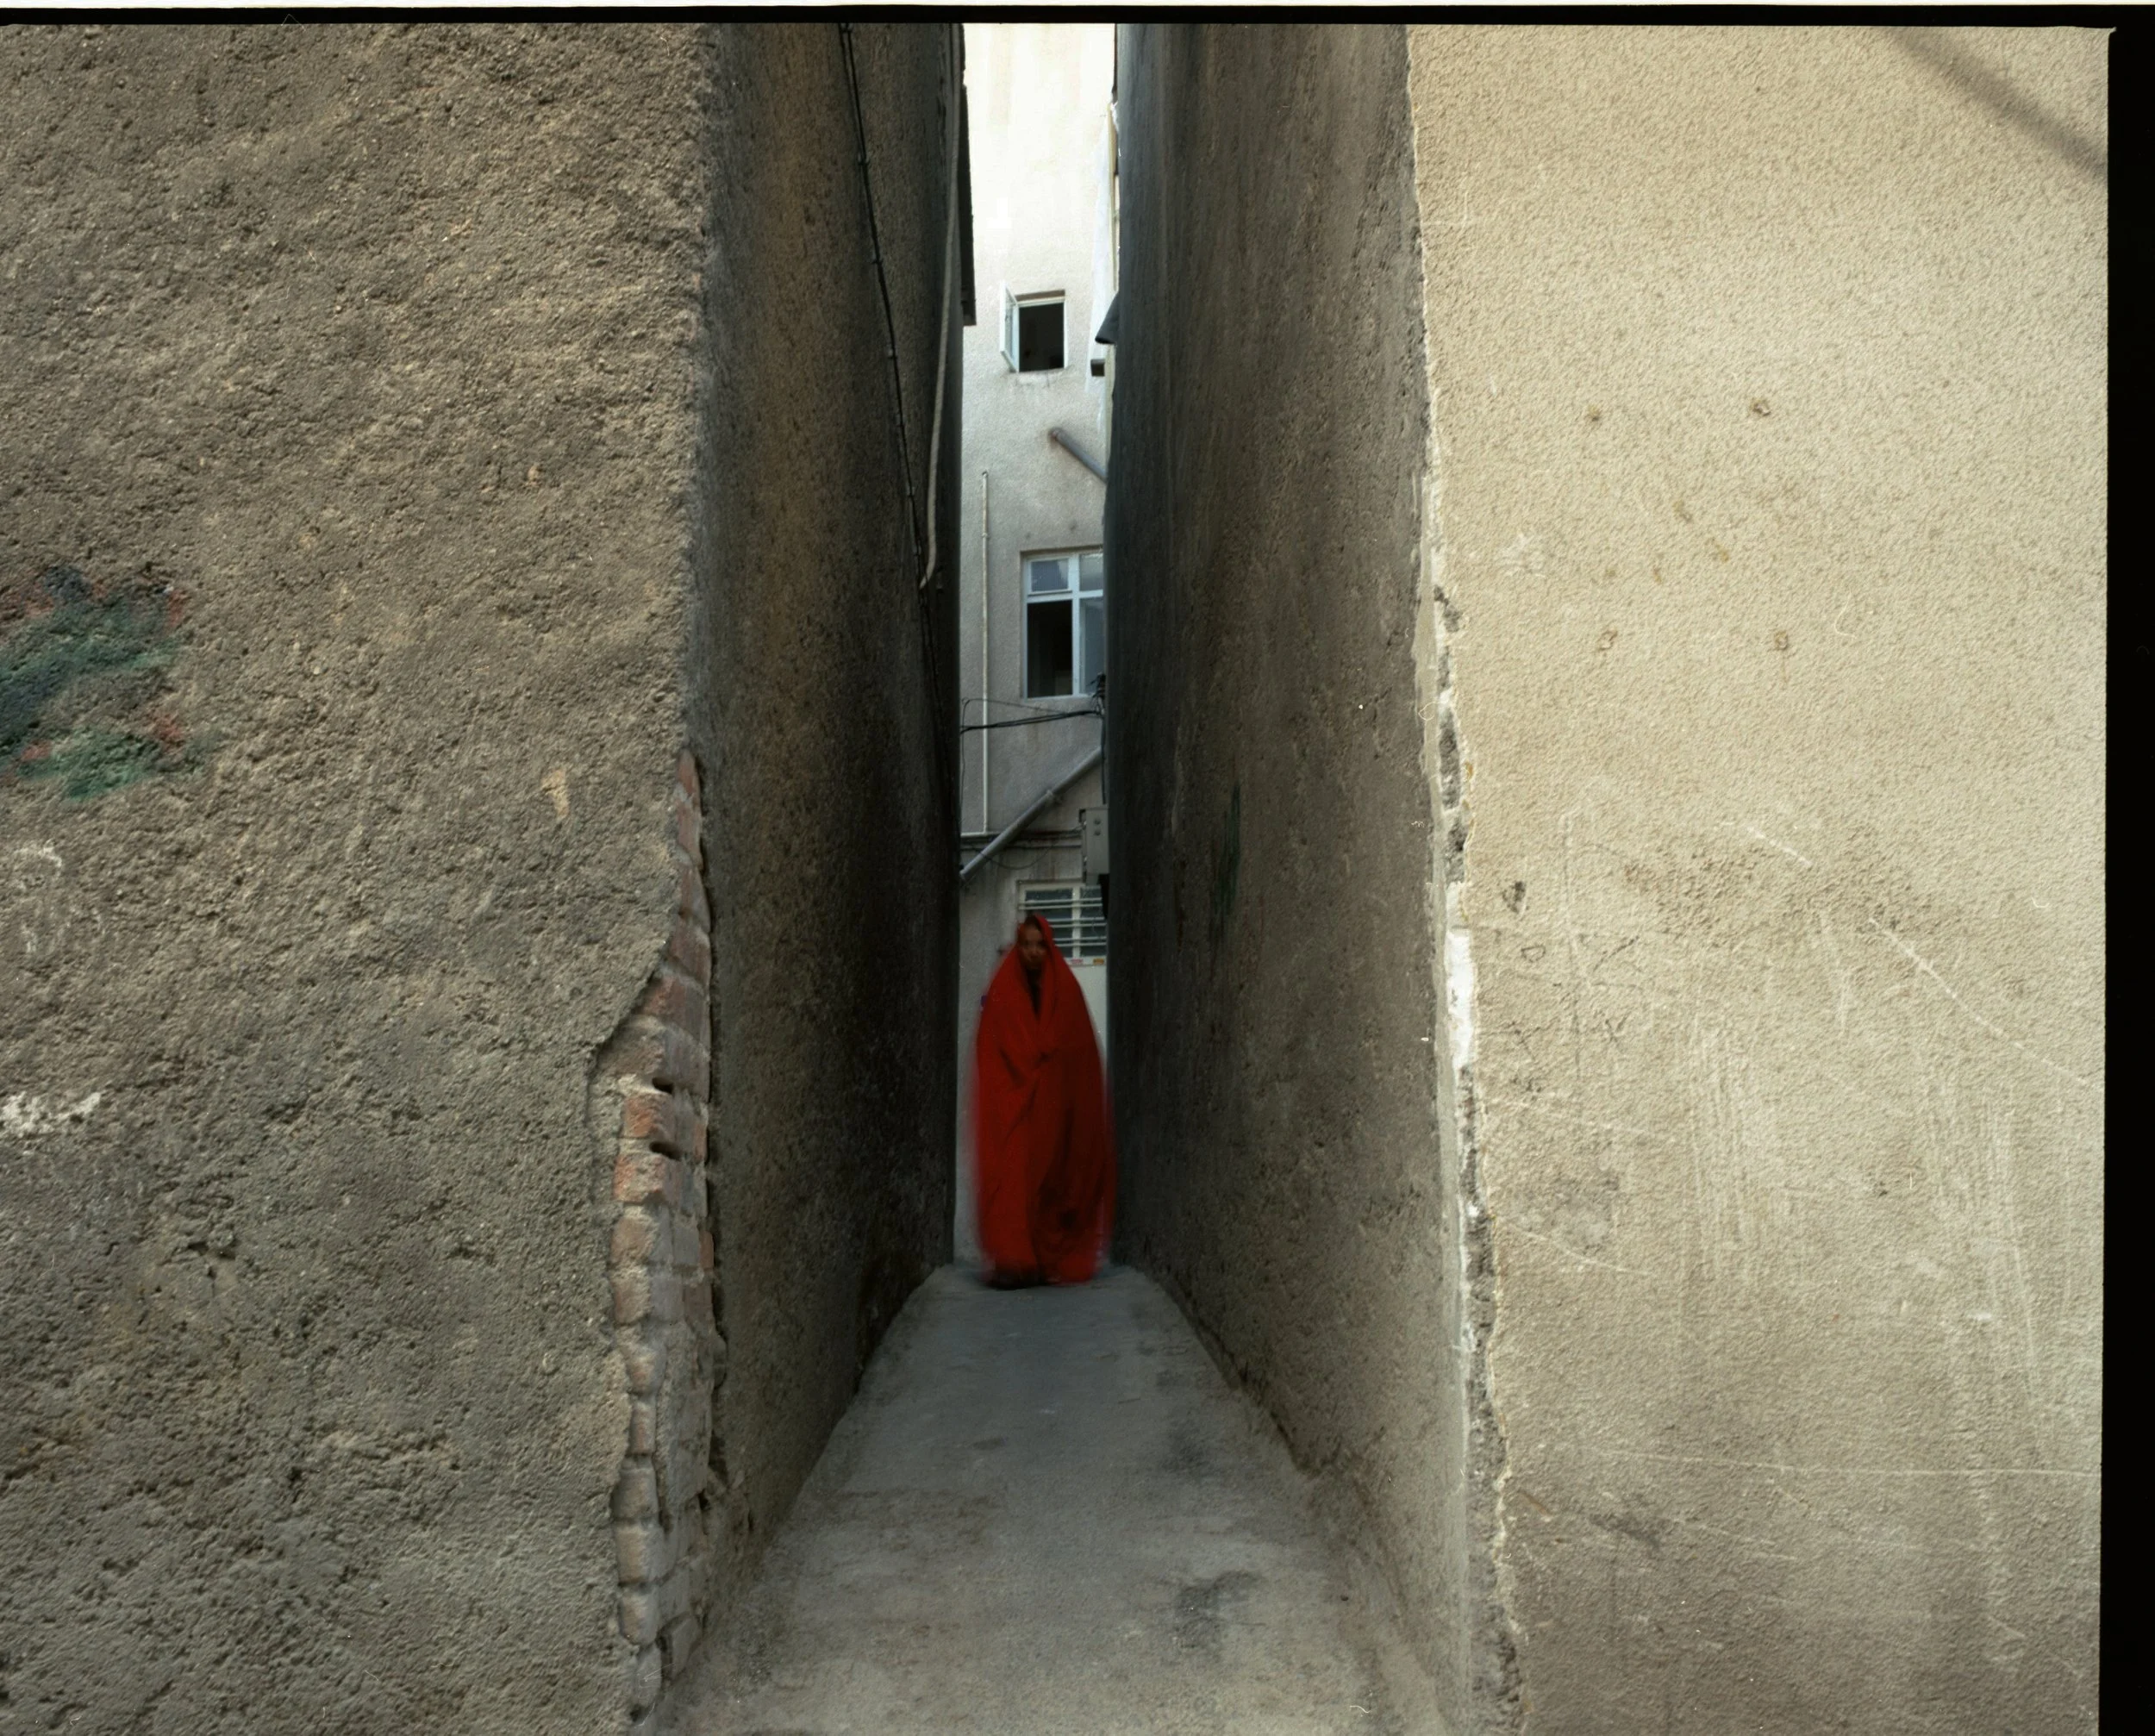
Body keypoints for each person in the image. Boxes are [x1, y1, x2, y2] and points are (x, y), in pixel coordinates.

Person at [971, 912, 1115, 1287]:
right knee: (1015, 1174)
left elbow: (1078, 1047)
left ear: (1049, 948)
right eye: (1027, 945)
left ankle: (1043, 1256)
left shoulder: (1064, 991)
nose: (1033, 952)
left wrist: (1051, 1074)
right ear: (1018, 947)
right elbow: (992, 1043)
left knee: (1050, 1178)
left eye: (1040, 945)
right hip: (1015, 1102)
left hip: (1051, 1105)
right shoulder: (1004, 988)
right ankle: (1014, 1258)